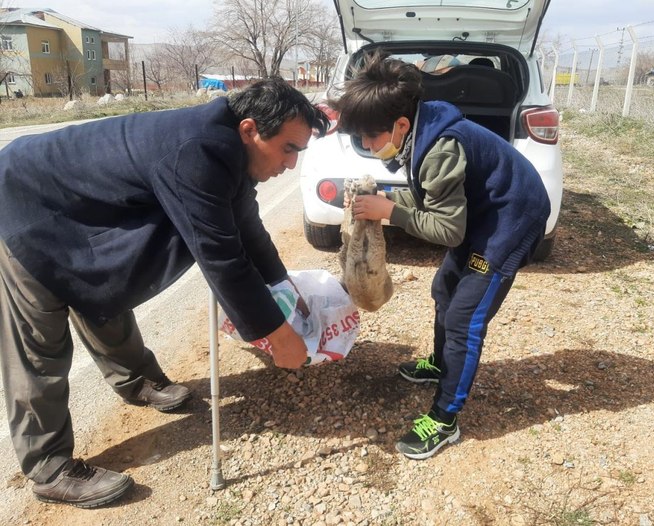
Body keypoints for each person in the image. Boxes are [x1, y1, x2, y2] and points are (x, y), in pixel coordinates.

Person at [0, 78, 329, 508]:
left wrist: (282, 284)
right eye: (289, 149)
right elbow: (222, 258)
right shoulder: (198, 152)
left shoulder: (227, 149)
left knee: (104, 288)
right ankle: (48, 467)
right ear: (250, 129)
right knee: (39, 344)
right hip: (25, 204)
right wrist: (279, 337)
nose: (291, 164)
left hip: (82, 210)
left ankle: (135, 381)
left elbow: (245, 224)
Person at [331, 52, 550, 460]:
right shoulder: (420, 129)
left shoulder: (439, 147)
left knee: (464, 318)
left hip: (510, 220)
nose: (365, 145)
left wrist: (390, 212)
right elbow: (433, 194)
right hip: (482, 211)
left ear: (399, 124)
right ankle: (439, 364)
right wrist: (389, 198)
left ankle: (446, 418)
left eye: (370, 137)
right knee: (444, 288)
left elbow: (449, 229)